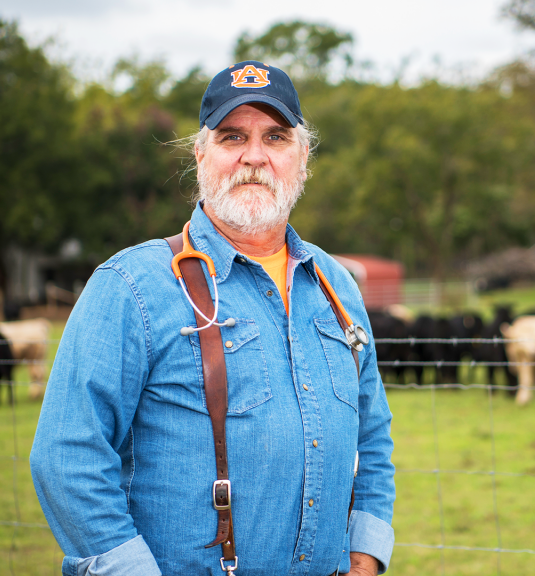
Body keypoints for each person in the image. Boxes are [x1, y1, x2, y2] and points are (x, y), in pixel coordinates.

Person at [30, 61, 395, 576]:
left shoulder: (336, 286)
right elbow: (68, 458)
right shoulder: (132, 285)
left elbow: (373, 436)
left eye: (275, 137)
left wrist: (366, 555)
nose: (254, 156)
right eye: (232, 137)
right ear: (200, 154)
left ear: (303, 156)